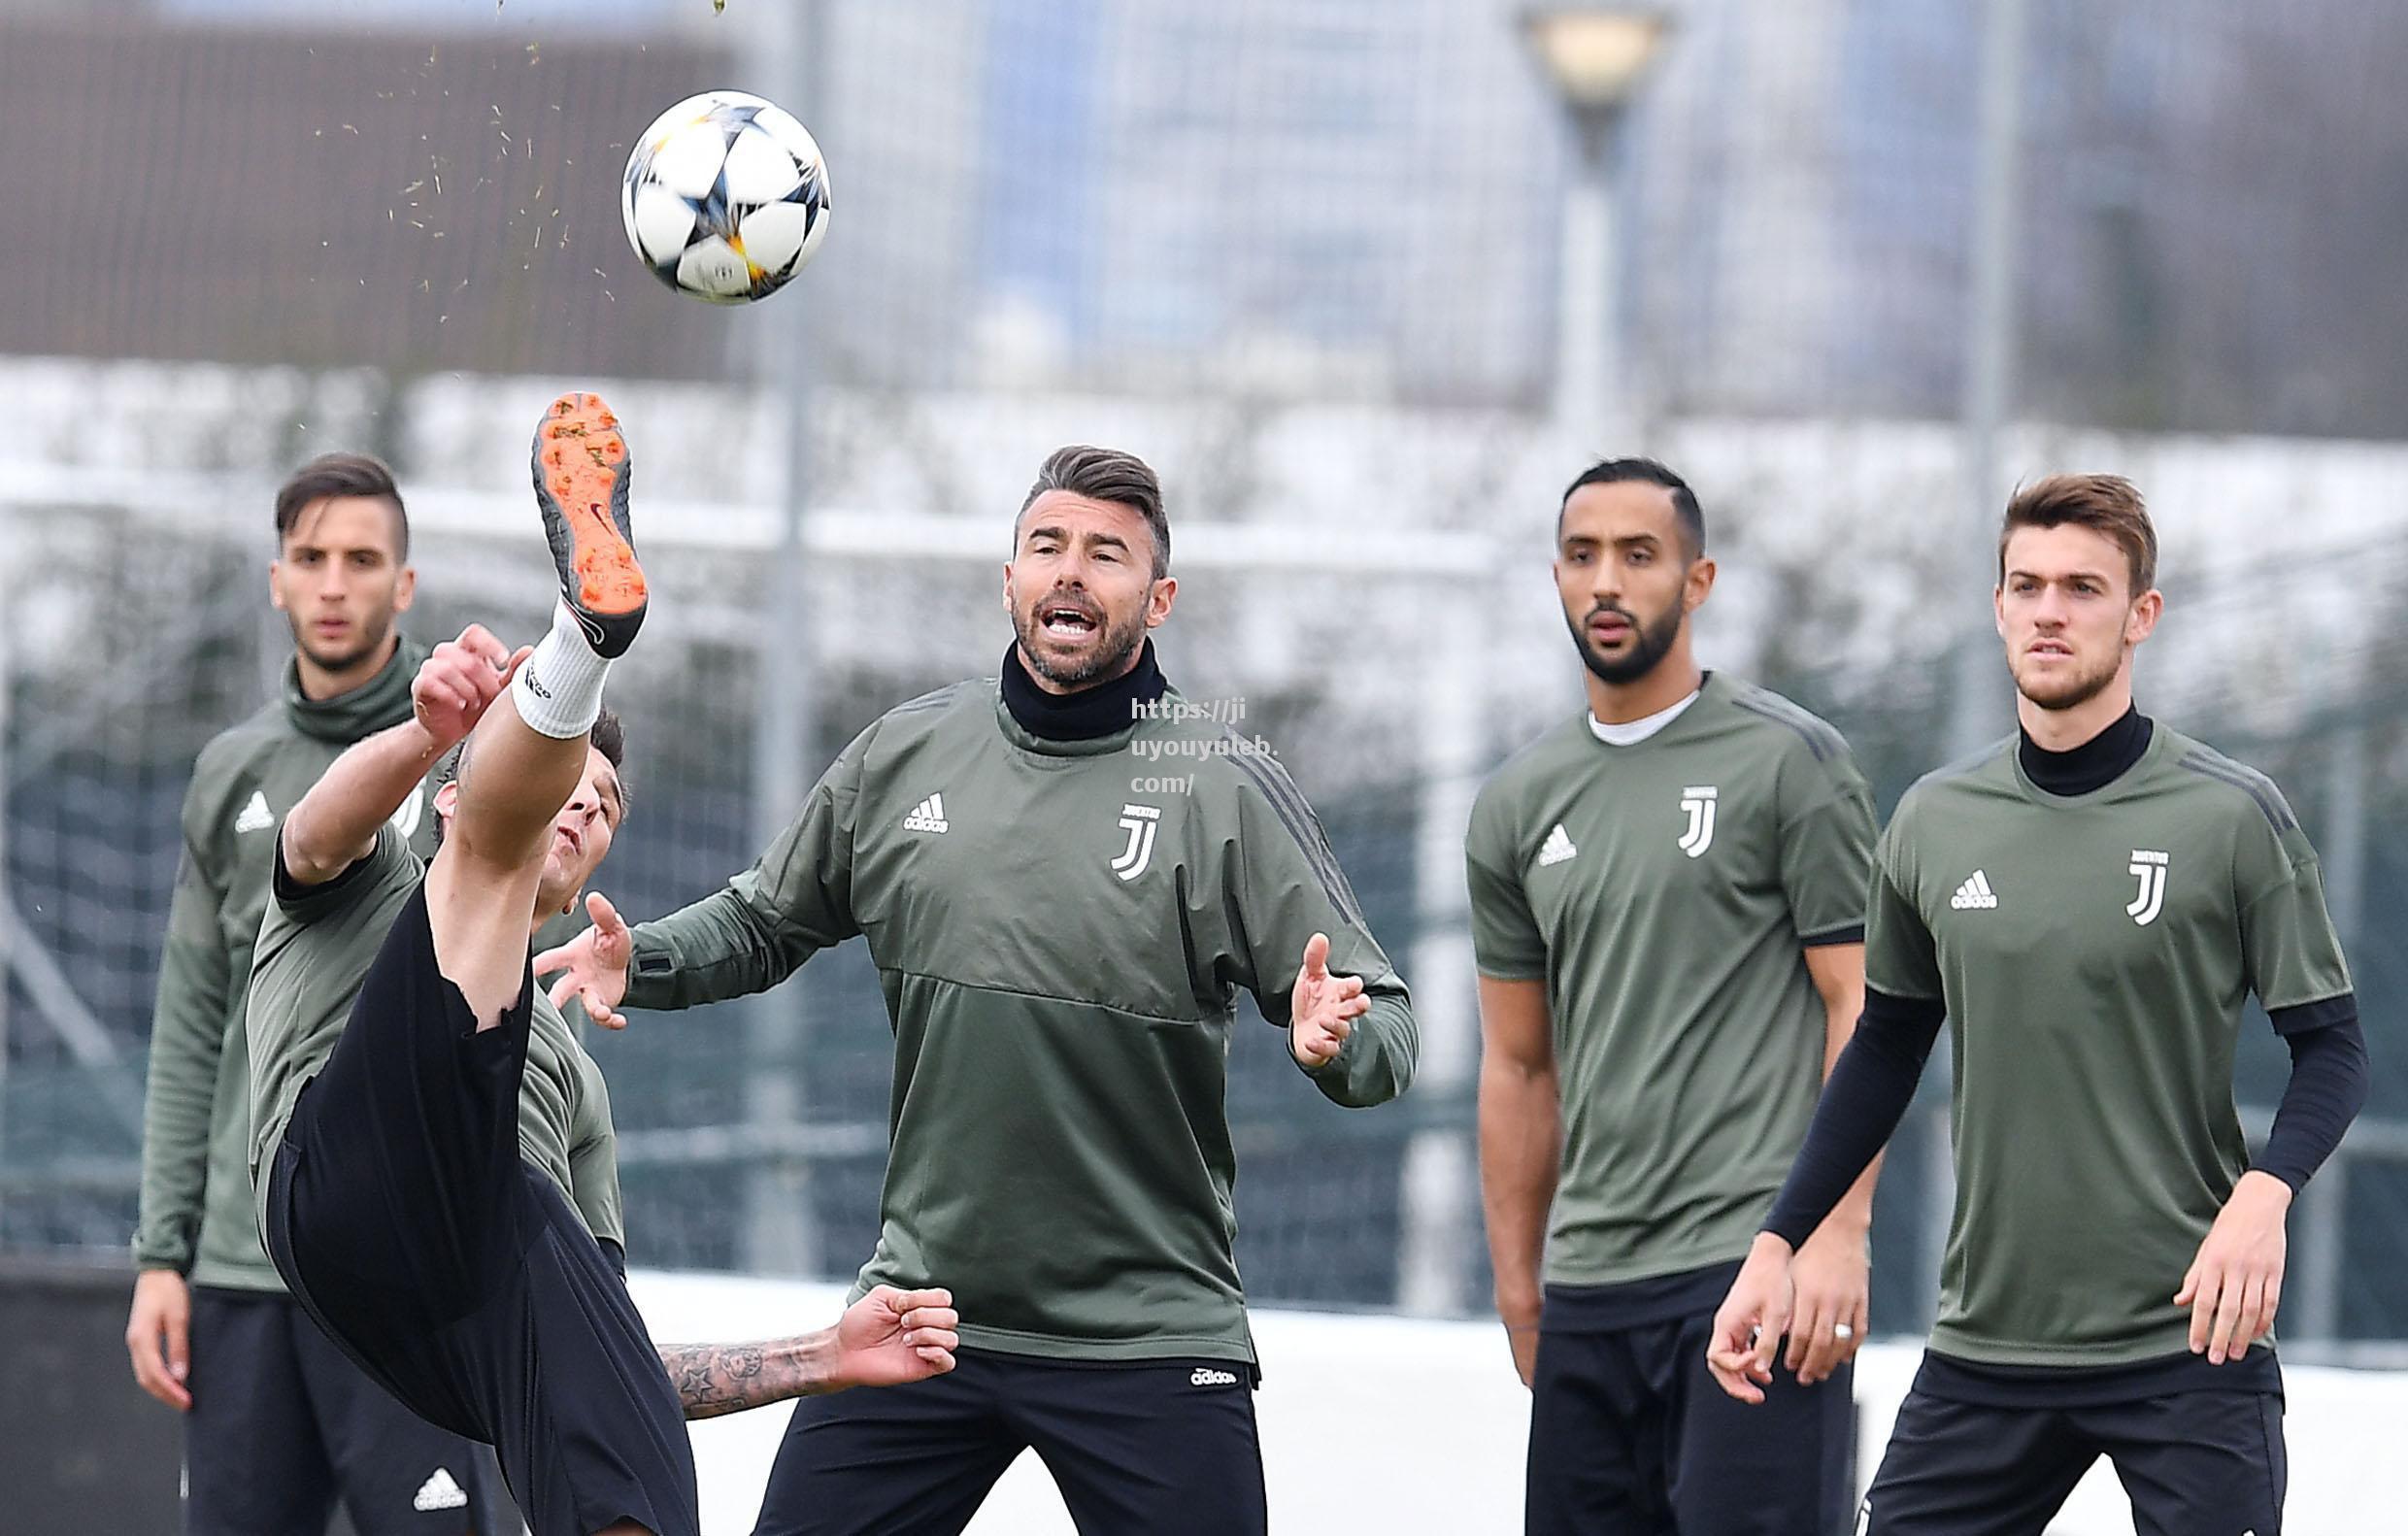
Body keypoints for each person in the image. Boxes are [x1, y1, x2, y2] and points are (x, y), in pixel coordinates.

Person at [536, 443, 1420, 1536]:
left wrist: (1338, 1041)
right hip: (922, 1313)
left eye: (1106, 555)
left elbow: (1384, 1018)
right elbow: (766, 919)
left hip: (1145, 1331)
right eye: (1046, 546)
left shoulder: (1219, 784)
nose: (1070, 572)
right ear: (1008, 579)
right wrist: (643, 959)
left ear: (1159, 597)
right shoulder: (906, 754)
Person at [247, 394, 960, 1536]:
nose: (586, 807)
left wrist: (818, 1355)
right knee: (481, 862)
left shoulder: (571, 1084)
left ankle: (574, 658)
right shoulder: (375, 872)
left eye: (608, 804)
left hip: (461, 1324)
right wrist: (430, 733)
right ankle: (584, 635)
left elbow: (612, 1345)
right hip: (340, 1200)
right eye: (569, 781)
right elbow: (313, 830)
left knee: (631, 1465)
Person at [1709, 474, 2370, 1535]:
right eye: (2025, 584)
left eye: (2081, 587)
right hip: (1987, 1345)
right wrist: (1777, 1240)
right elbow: (1883, 1047)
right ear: (1997, 605)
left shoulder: (2230, 816)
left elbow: (2332, 1051)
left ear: (2138, 614)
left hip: (2186, 1341)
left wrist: (2264, 1194)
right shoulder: (1931, 820)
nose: (2048, 610)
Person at [1467, 458, 1880, 1535]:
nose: (1606, 581)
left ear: (1696, 581)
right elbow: (1517, 1062)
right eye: (1580, 554)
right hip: (1589, 1288)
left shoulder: (1790, 763)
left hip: (1752, 1272)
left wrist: (1833, 1234)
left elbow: (1862, 1008)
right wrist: (1519, 1284)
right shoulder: (1514, 804)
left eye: (1637, 555)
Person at [125, 453, 502, 1533]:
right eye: (311, 558)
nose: (335, 583)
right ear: (277, 579)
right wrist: (164, 1255)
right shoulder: (230, 772)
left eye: (362, 560)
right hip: (243, 1272)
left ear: (406, 585)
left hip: (412, 1271)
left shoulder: (479, 754)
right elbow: (194, 1020)